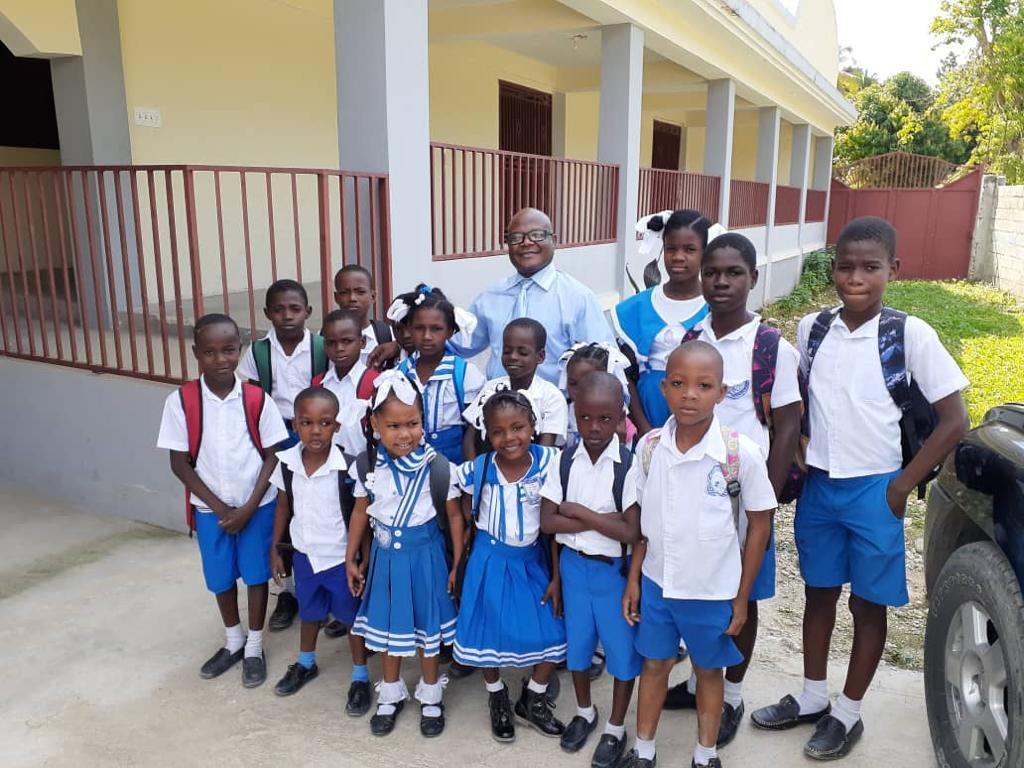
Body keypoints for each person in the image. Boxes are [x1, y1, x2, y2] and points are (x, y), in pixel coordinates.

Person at [750, 217, 969, 761]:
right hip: (821, 488)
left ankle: (847, 714)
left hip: (877, 490)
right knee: (819, 594)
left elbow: (955, 420)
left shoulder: (909, 333)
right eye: (845, 266)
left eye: (870, 267)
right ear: (832, 270)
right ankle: (812, 697)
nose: (855, 277)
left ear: (893, 269)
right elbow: (800, 403)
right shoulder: (812, 329)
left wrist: (900, 488)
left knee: (869, 608)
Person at [661, 233, 803, 746]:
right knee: (693, 590)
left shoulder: (770, 348)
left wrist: (768, 494)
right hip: (691, 495)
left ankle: (732, 696)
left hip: (744, 497)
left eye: (733, 272)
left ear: (752, 278)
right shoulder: (691, 338)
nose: (721, 282)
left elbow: (786, 424)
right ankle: (702, 681)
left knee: (740, 598)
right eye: (712, 272)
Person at [620, 341, 777, 768]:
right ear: (664, 388)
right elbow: (643, 529)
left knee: (709, 672)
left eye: (704, 386)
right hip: (657, 584)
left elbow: (759, 525)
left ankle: (705, 755)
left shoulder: (737, 453)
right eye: (679, 384)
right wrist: (634, 580)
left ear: (722, 393)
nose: (690, 394)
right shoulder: (650, 447)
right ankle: (644, 749)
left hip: (711, 591)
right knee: (654, 665)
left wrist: (741, 598)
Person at [157, 313, 288, 688]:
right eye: (210, 352)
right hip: (210, 511)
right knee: (220, 577)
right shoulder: (180, 401)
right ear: (197, 353)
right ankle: (234, 640)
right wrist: (220, 509)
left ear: (239, 350)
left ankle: (255, 645)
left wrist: (248, 506)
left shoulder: (255, 398)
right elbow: (179, 463)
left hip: (256, 507)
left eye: (229, 350)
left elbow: (273, 454)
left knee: (257, 574)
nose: (221, 359)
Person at [345, 371, 465, 738]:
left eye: (412, 423)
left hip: (426, 559)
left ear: (423, 422)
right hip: (385, 562)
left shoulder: (439, 468)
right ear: (375, 425)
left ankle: (431, 695)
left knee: (428, 632)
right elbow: (360, 512)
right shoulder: (368, 467)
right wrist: (352, 557)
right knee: (387, 630)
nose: (404, 433)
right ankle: (391, 694)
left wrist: (457, 564)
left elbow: (456, 517)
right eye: (393, 425)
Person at [369, 208, 615, 383]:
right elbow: (458, 343)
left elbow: (605, 362)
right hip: (498, 414)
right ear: (507, 244)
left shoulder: (578, 298)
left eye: (537, 235)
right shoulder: (491, 296)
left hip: (554, 417)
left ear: (554, 240)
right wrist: (403, 345)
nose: (527, 243)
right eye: (516, 237)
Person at [540, 372, 643, 768]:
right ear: (575, 415)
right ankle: (585, 712)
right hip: (573, 569)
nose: (594, 427)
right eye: (585, 418)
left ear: (621, 417)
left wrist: (579, 512)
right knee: (578, 649)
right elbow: (548, 522)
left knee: (621, 655)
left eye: (604, 419)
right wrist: (603, 520)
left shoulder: (630, 466)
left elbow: (632, 531)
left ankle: (616, 727)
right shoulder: (564, 460)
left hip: (613, 574)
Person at [454, 387, 567, 743]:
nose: (509, 438)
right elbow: (459, 502)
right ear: (488, 434)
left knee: (552, 630)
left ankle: (533, 697)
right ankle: (496, 694)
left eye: (517, 427)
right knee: (489, 630)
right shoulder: (480, 467)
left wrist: (557, 574)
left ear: (533, 425)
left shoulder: (550, 461)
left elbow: (555, 520)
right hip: (489, 558)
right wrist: (460, 559)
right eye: (498, 431)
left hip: (532, 559)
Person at [268, 387, 372, 716]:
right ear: (295, 425)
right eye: (307, 422)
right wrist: (276, 549)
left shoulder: (349, 467)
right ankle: (305, 663)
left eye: (325, 423)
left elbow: (363, 515)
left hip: (340, 559)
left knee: (351, 620)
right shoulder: (286, 464)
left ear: (337, 426)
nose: (316, 430)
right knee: (310, 613)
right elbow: (283, 507)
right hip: (304, 556)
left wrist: (362, 559)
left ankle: (360, 677)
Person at [238, 278, 328, 631]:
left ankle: (323, 583)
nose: (287, 316)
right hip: (276, 438)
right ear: (267, 314)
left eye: (294, 309)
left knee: (317, 508)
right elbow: (250, 397)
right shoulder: (258, 352)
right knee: (285, 509)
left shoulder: (321, 346)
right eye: (278, 309)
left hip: (318, 436)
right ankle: (290, 591)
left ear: (307, 312)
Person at [613, 210, 713, 433]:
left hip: (700, 413)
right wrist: (644, 428)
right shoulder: (638, 306)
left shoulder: (714, 306)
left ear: (705, 253)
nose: (678, 257)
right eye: (671, 248)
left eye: (689, 249)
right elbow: (626, 374)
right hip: (647, 411)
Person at [390, 284, 485, 464]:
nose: (427, 336)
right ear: (409, 328)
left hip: (454, 464)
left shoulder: (465, 374)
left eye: (436, 329)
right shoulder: (399, 374)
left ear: (450, 331)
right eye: (419, 328)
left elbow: (474, 431)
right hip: (409, 463)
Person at [462, 318, 568, 457]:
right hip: (489, 472)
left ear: (540, 356)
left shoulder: (551, 397)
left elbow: (546, 449)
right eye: (507, 351)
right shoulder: (491, 389)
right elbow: (470, 439)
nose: (513, 357)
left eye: (522, 353)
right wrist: (474, 473)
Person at [317, 309, 379, 458]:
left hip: (364, 471)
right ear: (325, 346)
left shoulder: (376, 384)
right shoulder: (318, 384)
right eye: (332, 343)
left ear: (362, 342)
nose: (339, 348)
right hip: (327, 471)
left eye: (347, 341)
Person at [558, 342, 634, 453]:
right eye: (573, 383)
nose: (580, 390)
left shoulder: (618, 418)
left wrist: (619, 440)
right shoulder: (563, 412)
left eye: (589, 383)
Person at [333, 264, 393, 365]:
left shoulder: (388, 336)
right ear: (336, 297)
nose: (352, 298)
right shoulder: (323, 338)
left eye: (360, 292)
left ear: (373, 296)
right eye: (344, 292)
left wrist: (397, 346)